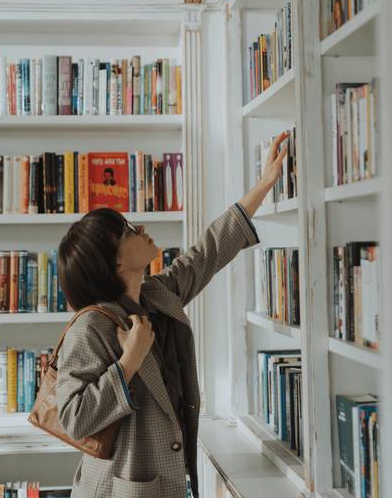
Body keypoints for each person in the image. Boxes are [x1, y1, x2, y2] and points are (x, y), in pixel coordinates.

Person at [56, 132, 289, 498]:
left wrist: (265, 183)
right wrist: (128, 361)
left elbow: (209, 250)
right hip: (120, 490)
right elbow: (73, 419)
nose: (141, 228)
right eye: (128, 230)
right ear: (115, 261)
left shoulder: (157, 293)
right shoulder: (92, 326)